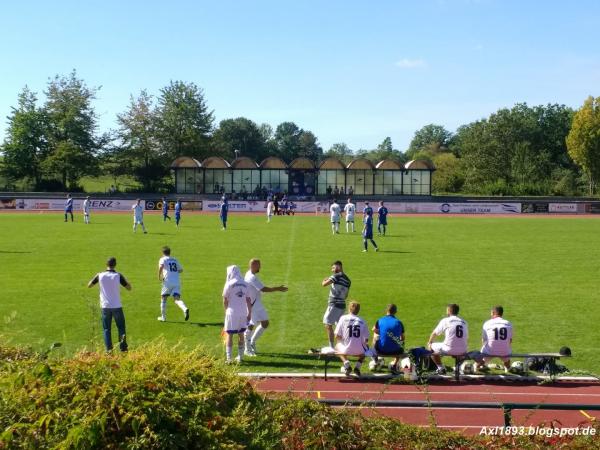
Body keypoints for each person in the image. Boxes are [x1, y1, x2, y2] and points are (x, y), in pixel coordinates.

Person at [244, 258, 288, 356]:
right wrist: (278, 288)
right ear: (253, 265)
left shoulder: (250, 274)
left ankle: (252, 342)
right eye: (259, 265)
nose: (260, 267)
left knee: (265, 323)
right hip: (252, 305)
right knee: (250, 326)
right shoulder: (251, 277)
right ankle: (246, 349)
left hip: (257, 303)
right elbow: (263, 289)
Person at [87, 257, 132, 352]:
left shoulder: (100, 275)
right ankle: (123, 348)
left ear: (106, 264)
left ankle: (109, 350)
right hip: (116, 306)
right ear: (115, 264)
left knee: (106, 329)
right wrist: (126, 280)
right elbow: (129, 288)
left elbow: (89, 285)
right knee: (121, 328)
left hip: (105, 306)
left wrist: (96, 277)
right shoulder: (118, 275)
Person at [427, 304, 469, 375]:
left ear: (449, 311)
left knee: (431, 346)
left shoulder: (445, 320)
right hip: (463, 350)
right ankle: (457, 367)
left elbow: (434, 333)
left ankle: (441, 368)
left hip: (449, 349)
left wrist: (429, 342)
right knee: (461, 347)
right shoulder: (464, 322)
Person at [223, 265, 252, 363]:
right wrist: (249, 313)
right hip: (243, 312)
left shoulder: (229, 284)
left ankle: (229, 358)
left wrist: (226, 310)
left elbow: (225, 299)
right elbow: (248, 299)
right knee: (241, 334)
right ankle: (240, 357)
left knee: (230, 335)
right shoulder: (246, 283)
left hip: (232, 312)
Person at [474, 306, 513, 373]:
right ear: (501, 313)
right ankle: (508, 368)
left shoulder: (487, 323)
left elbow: (483, 340)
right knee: (507, 359)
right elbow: (510, 340)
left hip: (490, 350)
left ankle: (476, 367)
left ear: (493, 313)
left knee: (481, 360)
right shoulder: (508, 323)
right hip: (504, 350)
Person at [322, 260, 351, 348]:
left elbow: (324, 284)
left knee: (328, 324)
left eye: (333, 267)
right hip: (342, 305)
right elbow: (346, 295)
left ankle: (331, 347)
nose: (332, 270)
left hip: (334, 304)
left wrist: (324, 280)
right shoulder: (348, 280)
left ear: (339, 267)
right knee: (339, 326)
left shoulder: (337, 276)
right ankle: (345, 344)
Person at [335, 301, 369, 376]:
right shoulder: (362, 320)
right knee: (366, 347)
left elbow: (337, 336)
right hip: (359, 350)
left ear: (349, 309)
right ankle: (357, 367)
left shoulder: (343, 318)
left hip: (346, 350)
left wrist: (343, 339)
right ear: (358, 310)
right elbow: (366, 339)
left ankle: (347, 365)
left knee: (337, 346)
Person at [157, 246, 189, 322]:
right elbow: (181, 270)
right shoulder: (175, 259)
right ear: (169, 252)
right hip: (176, 281)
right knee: (177, 299)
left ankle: (163, 317)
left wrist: (159, 276)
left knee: (163, 298)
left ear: (162, 253)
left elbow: (161, 267)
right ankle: (185, 309)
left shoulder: (162, 259)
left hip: (167, 281)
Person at [371, 304, 405, 373]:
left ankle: (376, 361)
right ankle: (395, 364)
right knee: (401, 342)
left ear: (386, 310)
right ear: (396, 312)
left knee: (375, 335)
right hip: (396, 351)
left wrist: (383, 333)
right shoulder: (399, 322)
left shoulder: (380, 320)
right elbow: (403, 338)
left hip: (381, 350)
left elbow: (374, 330)